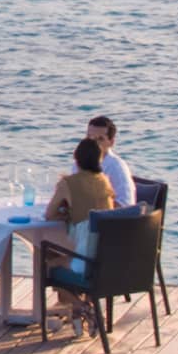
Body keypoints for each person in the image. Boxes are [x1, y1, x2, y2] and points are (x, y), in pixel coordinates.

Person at [45, 137, 115, 336]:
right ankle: (79, 313)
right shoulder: (105, 181)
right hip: (108, 260)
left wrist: (65, 213)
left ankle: (82, 307)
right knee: (58, 255)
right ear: (99, 160)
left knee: (46, 264)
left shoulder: (67, 183)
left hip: (87, 261)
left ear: (76, 159)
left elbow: (49, 214)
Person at [83, 115, 135, 208]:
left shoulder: (117, 167)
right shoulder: (80, 162)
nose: (93, 143)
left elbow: (126, 205)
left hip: (103, 216)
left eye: (100, 139)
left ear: (111, 142)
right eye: (89, 137)